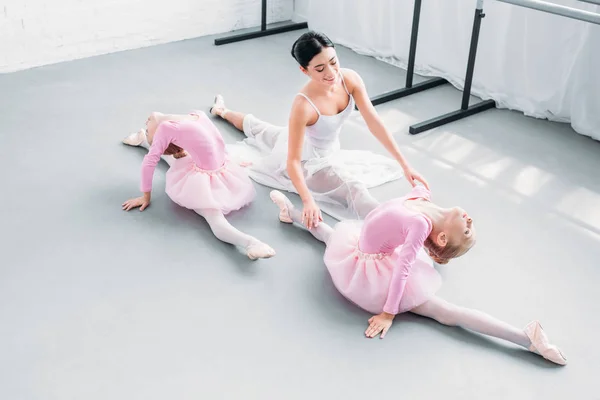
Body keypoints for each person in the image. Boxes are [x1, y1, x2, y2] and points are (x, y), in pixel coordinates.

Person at [268, 186, 567, 366]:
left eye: (466, 230)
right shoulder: (423, 199)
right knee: (331, 236)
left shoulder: (421, 226)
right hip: (365, 246)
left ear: (440, 239)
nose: (470, 220)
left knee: (446, 312)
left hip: (377, 270)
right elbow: (412, 185)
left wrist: (388, 311)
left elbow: (402, 269)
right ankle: (291, 214)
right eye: (470, 227)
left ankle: (525, 338)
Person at [209, 30, 429, 226]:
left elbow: (374, 122)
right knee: (353, 189)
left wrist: (406, 165)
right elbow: (293, 162)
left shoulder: (349, 79)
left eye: (334, 62)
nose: (331, 73)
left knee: (261, 128)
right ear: (305, 71)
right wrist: (308, 200)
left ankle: (223, 111)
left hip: (319, 146)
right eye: (320, 69)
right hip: (309, 163)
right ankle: (398, 225)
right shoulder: (303, 105)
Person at [121, 110, 276, 260]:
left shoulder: (167, 127)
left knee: (177, 162)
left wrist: (145, 196)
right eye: (148, 131)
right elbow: (151, 160)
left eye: (147, 131)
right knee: (215, 220)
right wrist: (145, 195)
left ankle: (251, 244)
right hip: (213, 170)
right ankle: (252, 243)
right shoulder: (194, 116)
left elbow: (152, 159)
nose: (146, 121)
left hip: (217, 173)